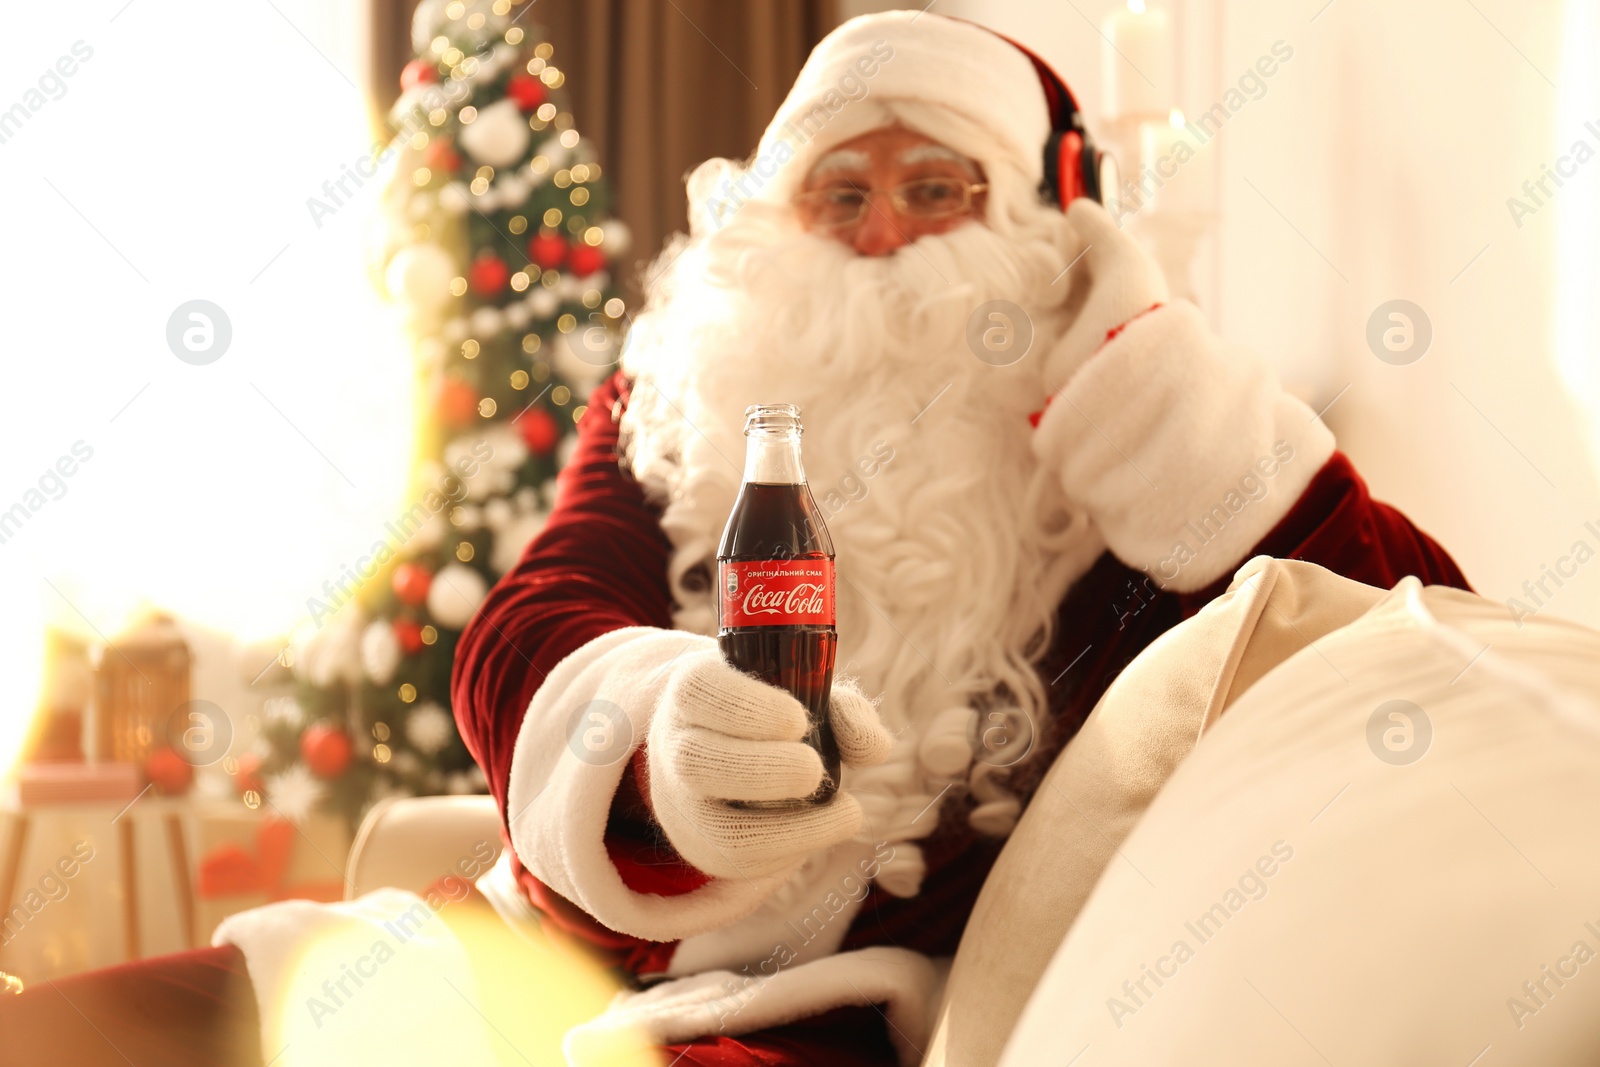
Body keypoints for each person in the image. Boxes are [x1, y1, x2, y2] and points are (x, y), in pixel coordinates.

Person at [450, 9, 1468, 1065]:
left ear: (1047, 219)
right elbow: (529, 620)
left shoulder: (1109, 471)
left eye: (935, 190)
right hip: (559, 950)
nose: (882, 233)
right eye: (839, 194)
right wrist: (665, 749)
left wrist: (1174, 418)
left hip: (838, 1018)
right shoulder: (675, 404)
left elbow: (1419, 633)